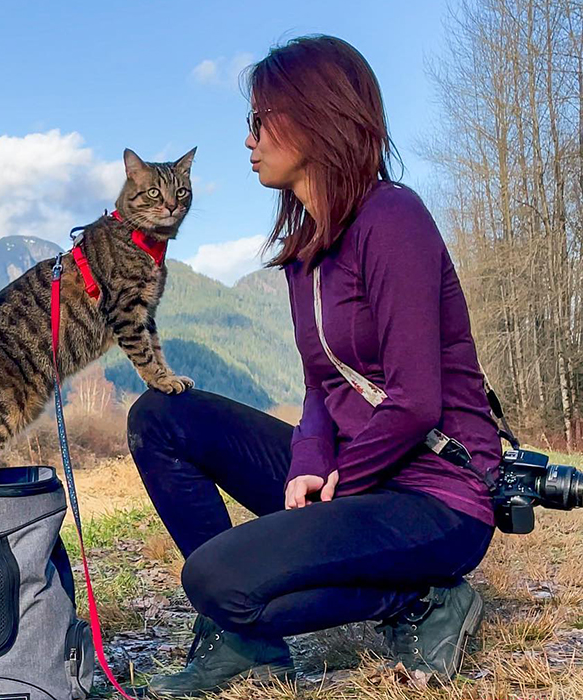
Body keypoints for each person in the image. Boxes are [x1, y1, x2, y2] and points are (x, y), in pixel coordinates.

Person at [127, 34, 501, 696]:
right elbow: (322, 393)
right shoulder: (305, 254)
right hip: (356, 481)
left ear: (314, 114)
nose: (248, 140)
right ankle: (246, 641)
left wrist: (339, 484)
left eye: (259, 118)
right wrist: (305, 466)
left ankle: (419, 600)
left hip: (436, 499)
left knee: (214, 580)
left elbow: (414, 401)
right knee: (162, 416)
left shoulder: (393, 217)